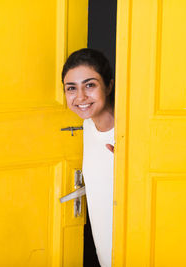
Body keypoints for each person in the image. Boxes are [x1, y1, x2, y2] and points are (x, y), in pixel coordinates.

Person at [62, 48, 115, 267]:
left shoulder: (130, 133)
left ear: (109, 86)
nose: (80, 97)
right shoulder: (87, 125)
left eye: (90, 85)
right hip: (105, 248)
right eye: (71, 88)